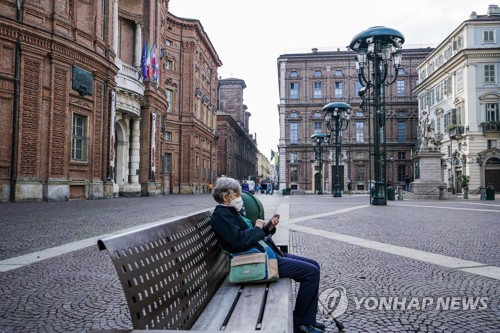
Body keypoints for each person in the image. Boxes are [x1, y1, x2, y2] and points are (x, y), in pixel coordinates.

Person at [210, 177, 325, 333]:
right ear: (226, 197)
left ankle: (307, 319)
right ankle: (300, 323)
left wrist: (268, 227)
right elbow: (238, 242)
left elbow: (248, 236)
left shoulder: (229, 212)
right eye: (237, 195)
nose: (240, 198)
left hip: (262, 254)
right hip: (254, 261)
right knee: (310, 272)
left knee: (314, 266)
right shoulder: (222, 215)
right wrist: (257, 228)